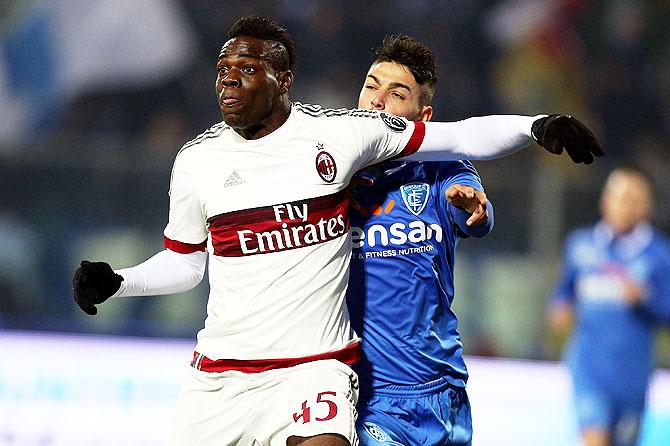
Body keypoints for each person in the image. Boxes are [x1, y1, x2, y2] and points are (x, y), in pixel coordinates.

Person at [72, 16, 603, 446]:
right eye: (222, 68)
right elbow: (187, 262)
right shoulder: (196, 162)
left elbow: (462, 142)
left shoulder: (344, 140)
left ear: (282, 80)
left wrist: (536, 126)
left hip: (326, 371)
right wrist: (121, 281)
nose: (228, 79)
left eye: (246, 68)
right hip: (225, 376)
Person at [346, 35, 491, 445]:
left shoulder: (441, 170)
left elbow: (478, 215)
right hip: (370, 396)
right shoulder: (333, 174)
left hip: (442, 388)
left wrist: (472, 207)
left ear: (422, 117)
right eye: (371, 86)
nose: (377, 100)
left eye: (396, 94)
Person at [549, 168, 670, 446]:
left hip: (632, 377)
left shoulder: (658, 255)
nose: (620, 205)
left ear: (644, 207)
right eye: (614, 197)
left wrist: (646, 299)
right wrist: (560, 308)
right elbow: (563, 292)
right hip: (588, 370)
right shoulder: (580, 245)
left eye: (629, 199)